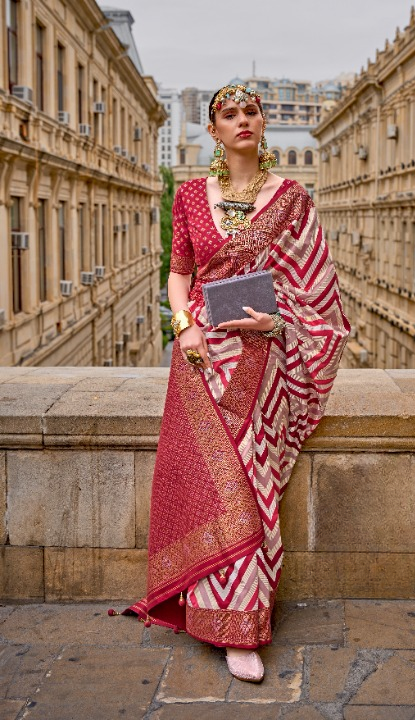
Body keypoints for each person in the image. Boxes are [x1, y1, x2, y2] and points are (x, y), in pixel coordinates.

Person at [110, 83, 350, 683]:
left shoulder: (292, 199)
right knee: (209, 487)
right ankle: (208, 612)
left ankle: (245, 623)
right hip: (199, 363)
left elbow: (318, 289)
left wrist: (278, 321)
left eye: (251, 111)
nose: (242, 120)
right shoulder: (191, 195)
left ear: (264, 123)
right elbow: (179, 273)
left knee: (252, 486)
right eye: (227, 114)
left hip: (262, 363)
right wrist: (185, 327)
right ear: (212, 130)